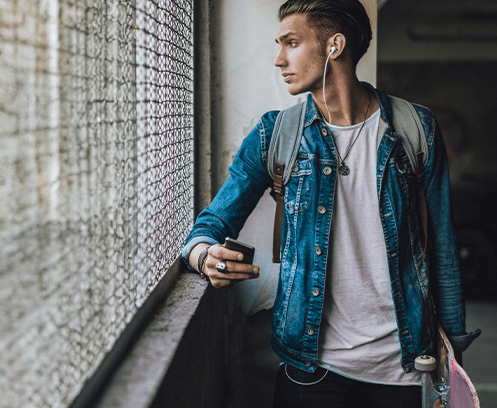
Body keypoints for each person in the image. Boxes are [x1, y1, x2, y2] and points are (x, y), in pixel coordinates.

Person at [180, 1, 479, 406]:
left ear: (334, 46)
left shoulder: (415, 129)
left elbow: (441, 246)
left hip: (406, 367)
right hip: (312, 368)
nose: (278, 59)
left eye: (291, 43)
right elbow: (211, 224)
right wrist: (204, 256)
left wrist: (453, 350)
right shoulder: (275, 135)